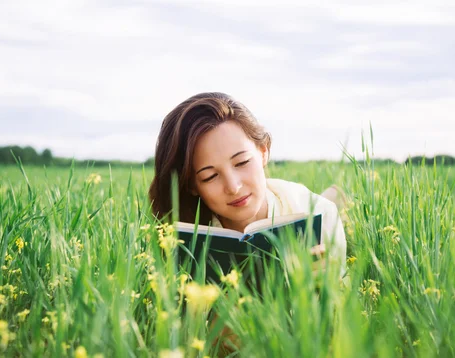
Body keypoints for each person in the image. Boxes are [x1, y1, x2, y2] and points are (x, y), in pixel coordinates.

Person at [148, 92, 348, 278]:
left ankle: (333, 197)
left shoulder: (322, 215)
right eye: (210, 176)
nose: (233, 187)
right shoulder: (178, 237)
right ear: (191, 186)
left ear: (263, 152)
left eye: (242, 162)